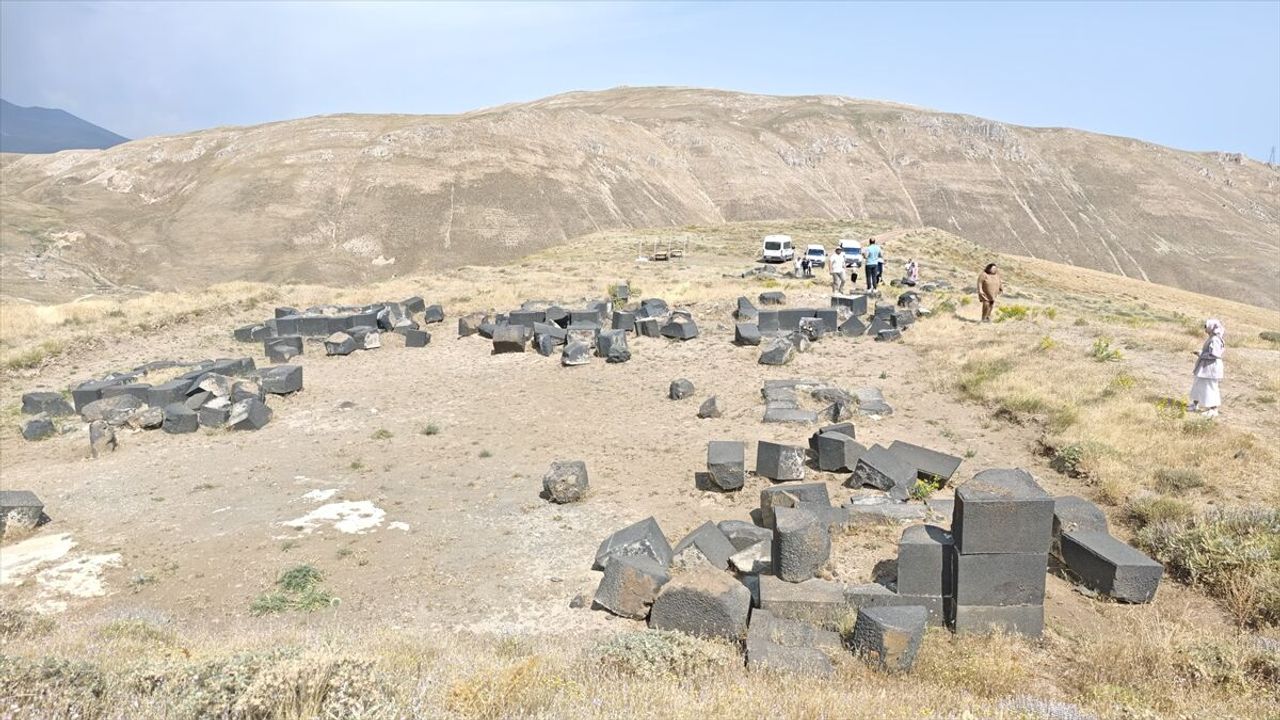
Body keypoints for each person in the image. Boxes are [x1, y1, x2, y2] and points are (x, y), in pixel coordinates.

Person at [1189, 319, 1225, 418]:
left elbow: (1214, 355)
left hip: (1211, 367)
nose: (1205, 329)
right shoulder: (1212, 338)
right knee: (1198, 384)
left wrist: (1200, 354)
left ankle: (1213, 410)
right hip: (1206, 366)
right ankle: (1195, 405)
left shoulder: (1215, 339)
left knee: (1210, 387)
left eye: (1206, 326)